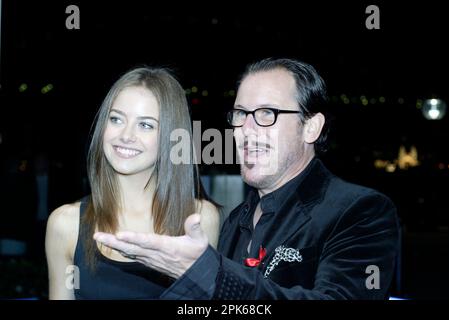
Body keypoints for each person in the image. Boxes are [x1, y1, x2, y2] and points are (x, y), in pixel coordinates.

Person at [95, 58, 400, 299]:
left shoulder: (361, 212)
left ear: (311, 127)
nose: (247, 129)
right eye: (241, 114)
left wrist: (207, 274)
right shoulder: (233, 223)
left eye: (267, 113)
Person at [45, 67, 220, 299]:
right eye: (116, 119)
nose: (126, 135)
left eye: (145, 125)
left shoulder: (199, 219)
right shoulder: (65, 224)